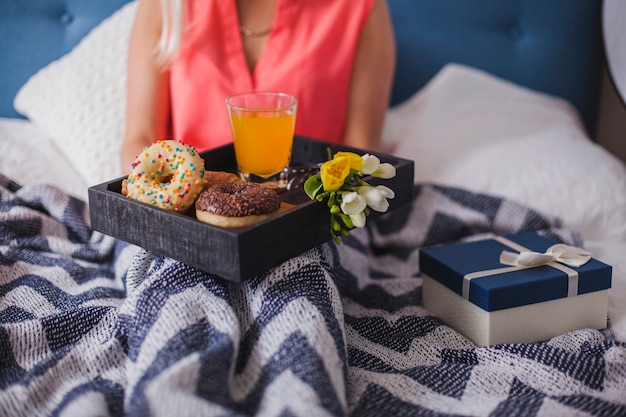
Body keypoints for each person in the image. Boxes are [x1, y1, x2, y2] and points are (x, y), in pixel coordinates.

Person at [120, 0, 396, 170]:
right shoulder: (166, 5)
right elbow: (141, 138)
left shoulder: (360, 7)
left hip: (310, 212)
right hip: (186, 211)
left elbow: (361, 151)